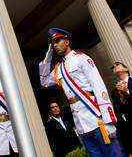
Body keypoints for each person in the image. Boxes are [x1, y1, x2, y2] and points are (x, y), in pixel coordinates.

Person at [39, 27, 123, 157]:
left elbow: (99, 87)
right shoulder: (58, 68)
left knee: (113, 154)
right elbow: (44, 81)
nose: (55, 45)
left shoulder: (82, 58)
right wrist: (48, 57)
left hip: (96, 118)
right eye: (52, 43)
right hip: (80, 123)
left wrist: (109, 120)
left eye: (57, 40)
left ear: (67, 41)